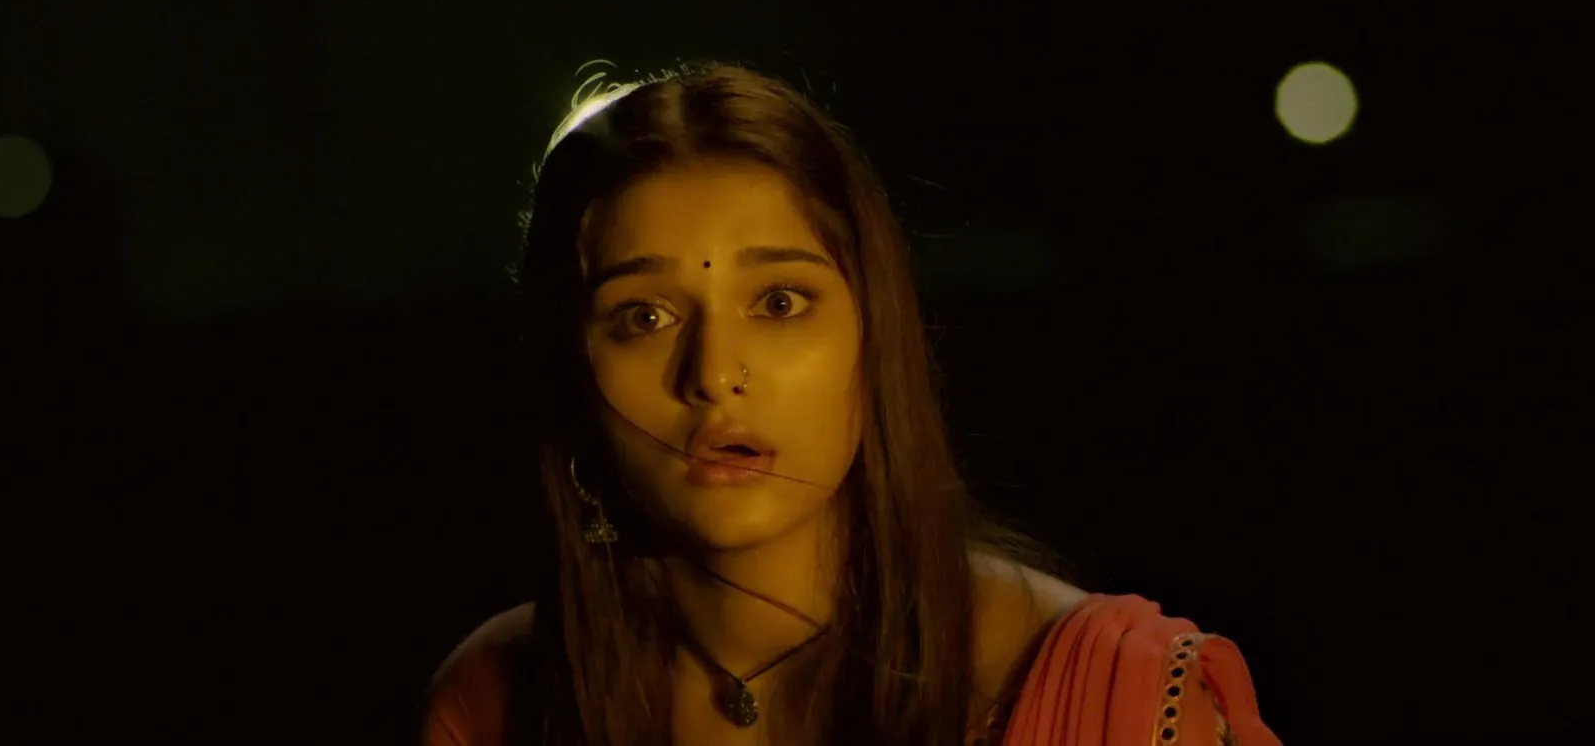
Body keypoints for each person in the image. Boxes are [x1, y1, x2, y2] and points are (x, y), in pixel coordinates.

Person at [422, 63, 1280, 746]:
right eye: (643, 316)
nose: (714, 374)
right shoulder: (500, 701)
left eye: (779, 303)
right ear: (571, 365)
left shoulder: (1122, 698)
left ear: (877, 336)